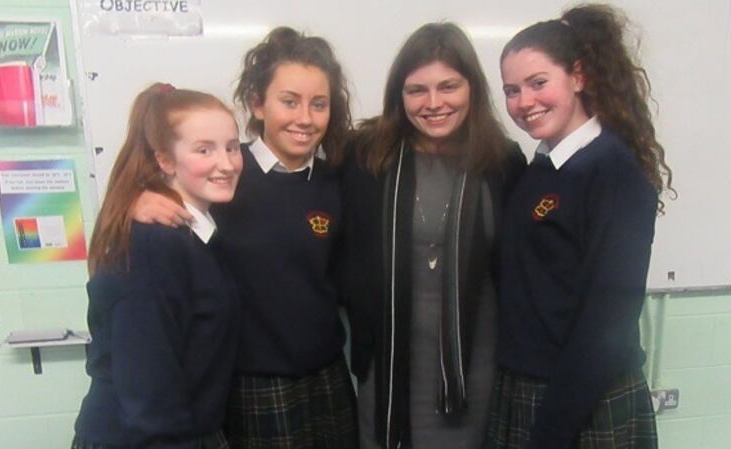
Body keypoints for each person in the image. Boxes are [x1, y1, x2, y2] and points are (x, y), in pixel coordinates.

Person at [132, 28, 358, 449]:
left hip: (327, 375)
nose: (305, 118)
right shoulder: (225, 176)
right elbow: (170, 196)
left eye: (319, 104)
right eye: (289, 102)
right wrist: (138, 200)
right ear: (258, 103)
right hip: (251, 382)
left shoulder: (336, 181)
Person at [486, 4, 674, 449]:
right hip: (525, 388)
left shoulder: (614, 173)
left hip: (582, 401)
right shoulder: (539, 170)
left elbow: (605, 326)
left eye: (538, 83)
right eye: (511, 90)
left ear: (578, 76)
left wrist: (550, 432)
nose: (523, 103)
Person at [341, 23, 526, 449]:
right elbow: (298, 191)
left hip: (472, 368)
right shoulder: (366, 156)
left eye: (448, 87)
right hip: (386, 367)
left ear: (472, 89)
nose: (433, 103)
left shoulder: (503, 162)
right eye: (417, 90)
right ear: (398, 95)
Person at [73, 83, 243, 449]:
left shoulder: (193, 232)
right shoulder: (154, 244)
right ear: (165, 160)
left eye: (232, 147)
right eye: (204, 150)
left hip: (183, 431)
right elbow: (148, 389)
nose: (227, 163)